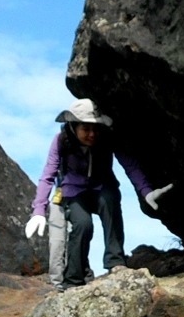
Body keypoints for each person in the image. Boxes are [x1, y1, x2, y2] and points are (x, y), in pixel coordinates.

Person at [25, 98, 172, 290]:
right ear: (74, 126)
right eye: (86, 129)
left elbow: (130, 165)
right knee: (83, 224)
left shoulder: (107, 137)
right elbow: (48, 175)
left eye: (95, 128)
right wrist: (38, 210)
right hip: (73, 192)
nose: (92, 134)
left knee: (109, 201)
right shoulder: (62, 141)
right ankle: (73, 280)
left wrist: (146, 192)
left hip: (102, 187)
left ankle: (116, 262)